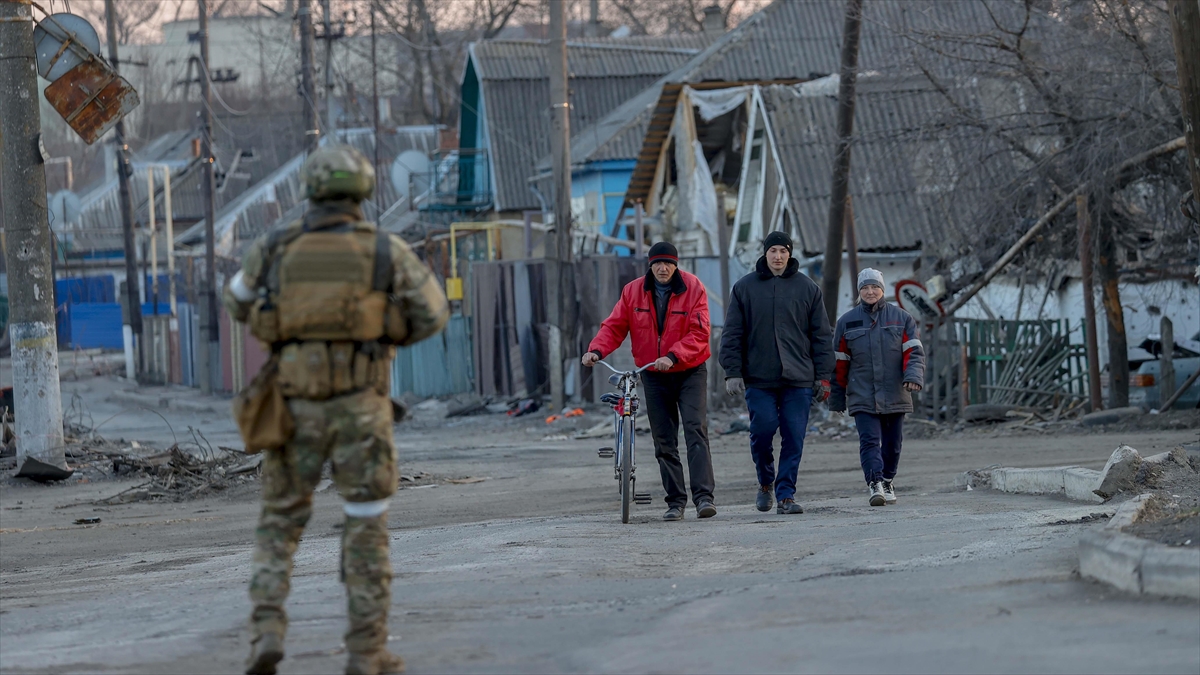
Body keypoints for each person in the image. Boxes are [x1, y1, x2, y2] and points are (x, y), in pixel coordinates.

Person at [223, 144, 450, 675]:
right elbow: (433, 314)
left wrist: (280, 317)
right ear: (364, 191)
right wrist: (389, 328)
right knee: (366, 525)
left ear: (310, 189)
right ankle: (366, 652)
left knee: (279, 523)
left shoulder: (276, 245)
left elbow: (235, 300)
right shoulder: (383, 250)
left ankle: (265, 633)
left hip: (291, 410)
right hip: (361, 410)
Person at [582, 242, 717, 522]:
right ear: (650, 265)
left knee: (695, 430)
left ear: (676, 264)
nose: (663, 268)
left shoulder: (694, 288)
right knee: (663, 440)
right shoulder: (633, 291)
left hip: (689, 370)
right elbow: (615, 326)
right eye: (657, 263)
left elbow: (700, 333)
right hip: (653, 374)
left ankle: (704, 498)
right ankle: (675, 502)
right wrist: (596, 350)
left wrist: (673, 355)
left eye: (668, 263)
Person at [719, 231, 833, 515]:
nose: (778, 256)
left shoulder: (808, 289)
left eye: (783, 251)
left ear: (790, 254)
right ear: (765, 253)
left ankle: (786, 495)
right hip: (759, 377)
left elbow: (821, 336)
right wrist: (732, 371)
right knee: (762, 431)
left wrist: (823, 376)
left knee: (794, 435)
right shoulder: (745, 288)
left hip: (799, 378)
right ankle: (765, 483)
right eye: (773, 251)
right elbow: (732, 333)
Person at [829, 268, 925, 507]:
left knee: (893, 444)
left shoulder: (901, 318)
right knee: (869, 441)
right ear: (859, 292)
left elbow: (914, 352)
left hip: (895, 391)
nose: (870, 292)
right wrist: (837, 397)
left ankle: (888, 479)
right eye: (865, 288)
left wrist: (913, 376)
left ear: (882, 290)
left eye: (874, 287)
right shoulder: (847, 322)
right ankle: (875, 484)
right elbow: (839, 364)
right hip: (862, 393)